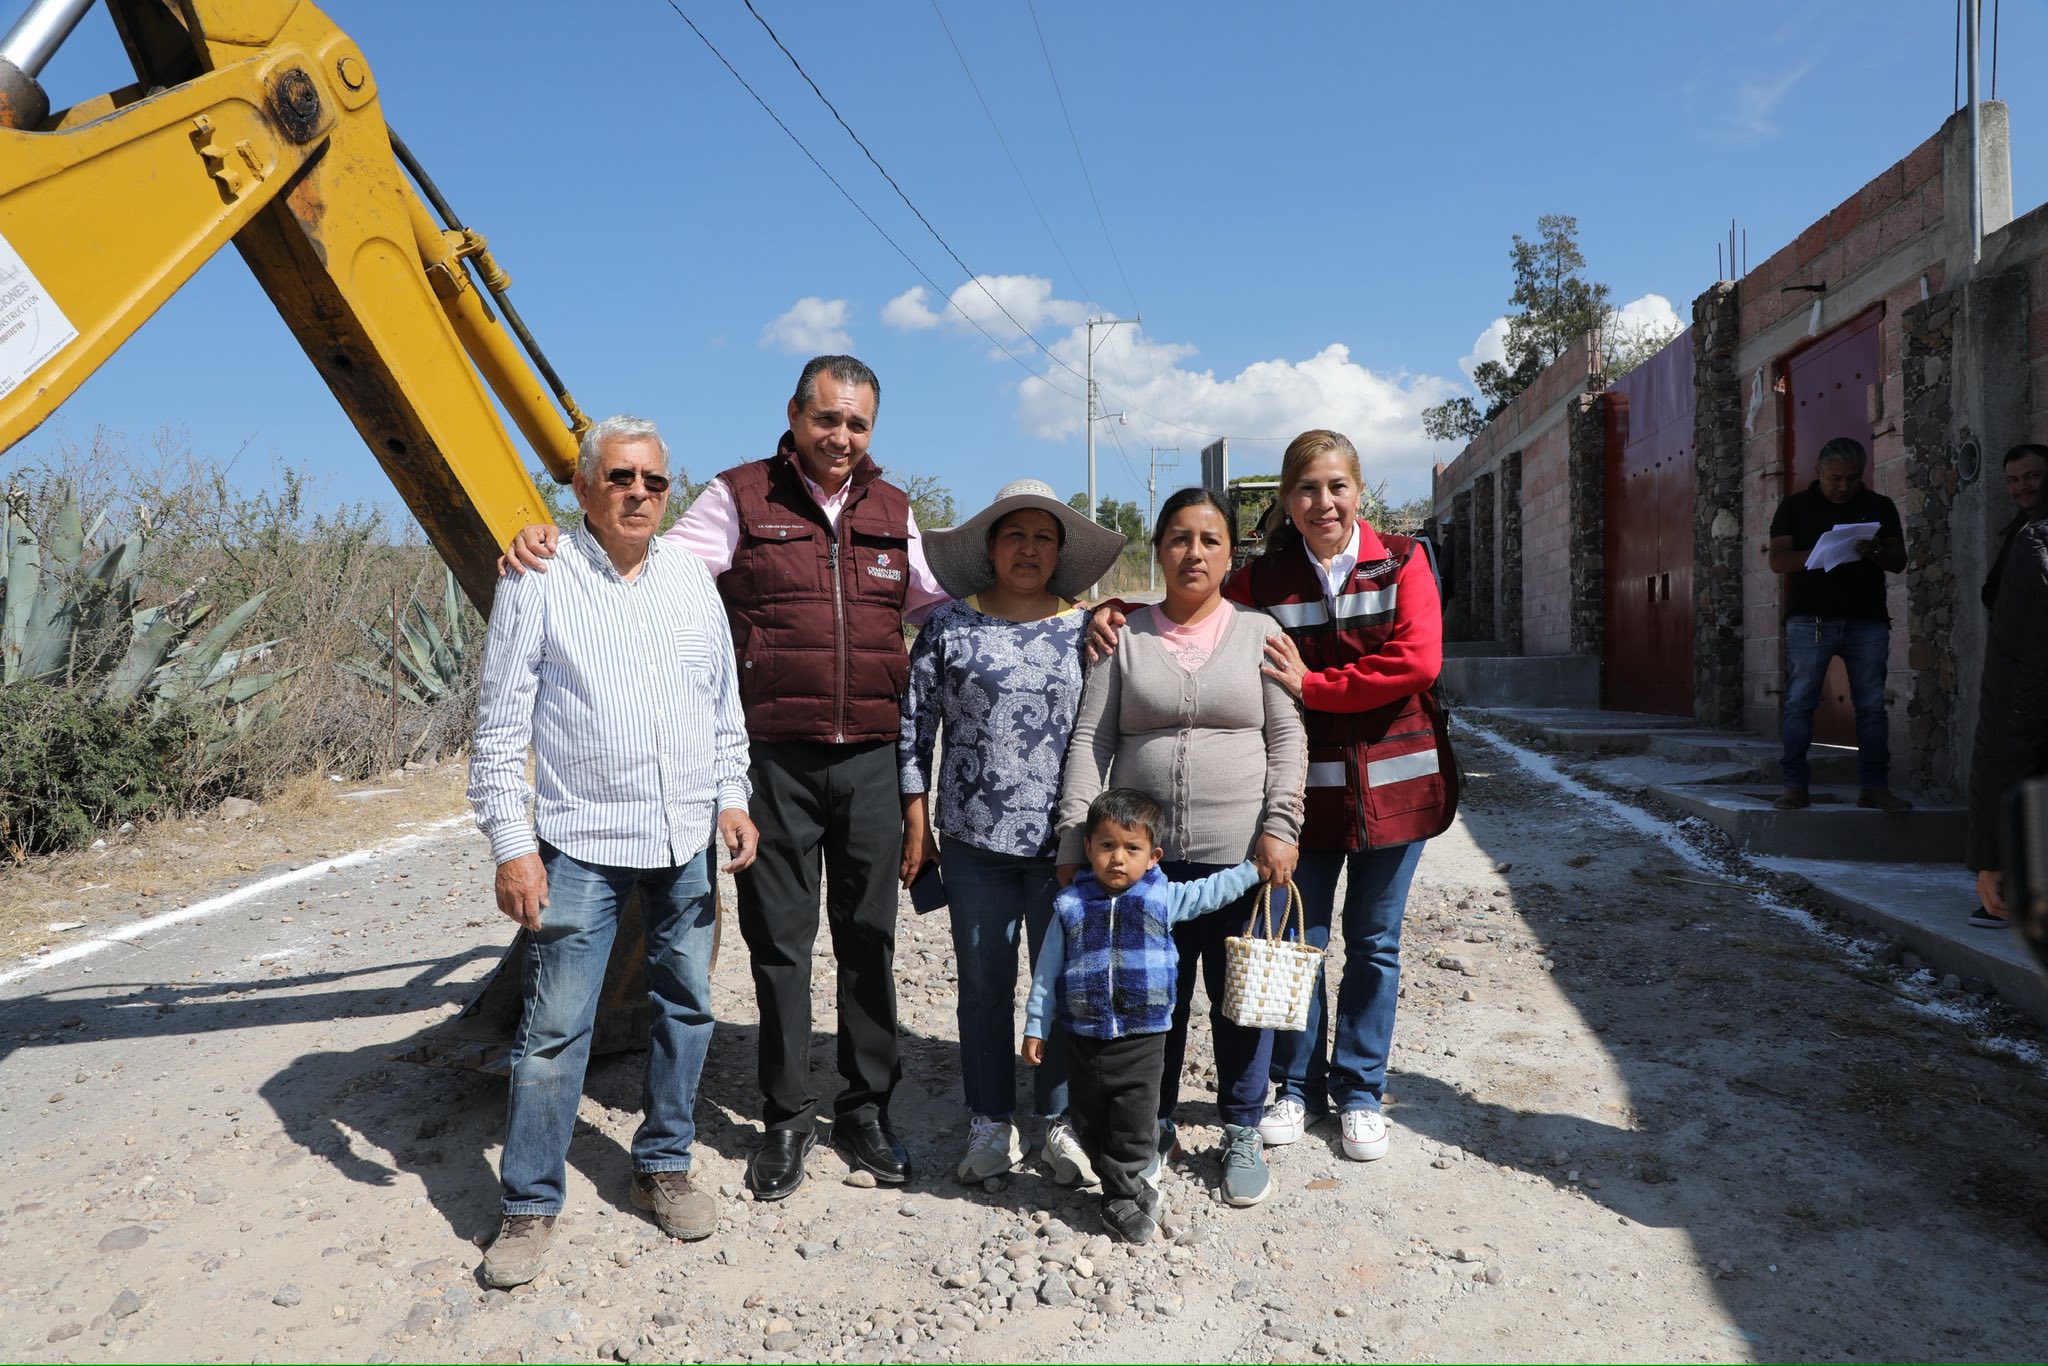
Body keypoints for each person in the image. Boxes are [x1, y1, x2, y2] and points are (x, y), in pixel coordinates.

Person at [503, 355, 948, 1202]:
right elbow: (645, 560)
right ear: (794, 413)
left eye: (858, 424)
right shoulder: (738, 497)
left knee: (869, 941)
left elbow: (934, 604)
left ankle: (864, 1111)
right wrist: (544, 537)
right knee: (780, 948)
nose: (841, 437)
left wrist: (1065, 618)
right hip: (775, 758)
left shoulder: (895, 510)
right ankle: (787, 1119)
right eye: (827, 419)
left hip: (870, 762)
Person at [468, 415, 757, 1288]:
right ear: (585, 488)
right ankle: (527, 1204)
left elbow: (720, 702)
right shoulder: (539, 574)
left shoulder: (688, 578)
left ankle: (664, 1162)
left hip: (682, 843)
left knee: (687, 1007)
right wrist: (513, 846)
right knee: (555, 1030)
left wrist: (732, 796)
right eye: (622, 478)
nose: (640, 494)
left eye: (655, 481)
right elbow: (499, 727)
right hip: (581, 844)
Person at [1056, 487, 1305, 1209]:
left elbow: (1287, 739)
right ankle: (1150, 1125)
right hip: (1140, 871)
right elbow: (1091, 741)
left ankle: (1240, 1126)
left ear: (1231, 552)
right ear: (1159, 548)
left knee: (1241, 1001)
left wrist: (1280, 827)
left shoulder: (1261, 633)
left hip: (1240, 861)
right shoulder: (1122, 636)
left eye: (1209, 540)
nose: (1193, 553)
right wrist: (1075, 840)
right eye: (1178, 539)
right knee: (1148, 999)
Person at [1225, 430, 1457, 1162]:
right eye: (1305, 489)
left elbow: (1417, 660)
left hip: (1398, 786)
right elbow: (1191, 603)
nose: (1322, 502)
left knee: (1376, 945)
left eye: (1335, 487)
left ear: (1359, 490)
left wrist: (1313, 686)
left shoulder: (1405, 559)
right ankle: (1298, 1087)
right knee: (1300, 940)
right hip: (1306, 793)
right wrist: (1113, 613)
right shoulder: (1260, 580)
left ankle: (1359, 1093)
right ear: (1285, 502)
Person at [898, 478, 1126, 1185]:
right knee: (985, 987)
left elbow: (1109, 731)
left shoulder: (1088, 631)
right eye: (1014, 535)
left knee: (1058, 983)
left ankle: (1054, 1122)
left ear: (1060, 552)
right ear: (990, 547)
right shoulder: (946, 627)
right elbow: (913, 730)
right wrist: (917, 820)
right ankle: (989, 1121)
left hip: (1064, 846)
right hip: (971, 844)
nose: (1029, 549)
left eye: (1044, 537)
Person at [1022, 788, 1261, 1243]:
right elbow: (1047, 969)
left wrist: (1252, 870)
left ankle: (1117, 1197)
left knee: (1135, 1120)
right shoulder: (1071, 905)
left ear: (1153, 856)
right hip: (1084, 1035)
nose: (1118, 858)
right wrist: (1037, 1024)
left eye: (1131, 848)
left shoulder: (1163, 897)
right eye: (1107, 845)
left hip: (1144, 1037)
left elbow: (1212, 892)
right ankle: (1125, 1185)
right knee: (1090, 1120)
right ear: (1088, 847)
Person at [1764, 436, 1911, 813]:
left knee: (1872, 707)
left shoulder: (1879, 505)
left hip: (1867, 621)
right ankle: (1795, 785)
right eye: (1835, 478)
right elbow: (1778, 561)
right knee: (1799, 703)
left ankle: (1875, 786)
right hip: (1810, 620)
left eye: (1852, 478)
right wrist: (1821, 553)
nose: (1844, 486)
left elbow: (1898, 560)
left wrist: (1874, 550)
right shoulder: (1794, 507)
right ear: (1819, 472)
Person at [1969, 443, 2047, 928]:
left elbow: (2028, 676)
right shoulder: (2023, 532)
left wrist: (1989, 854)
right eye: (2013, 480)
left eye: (2032, 477)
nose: (2021, 488)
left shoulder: (2035, 544)